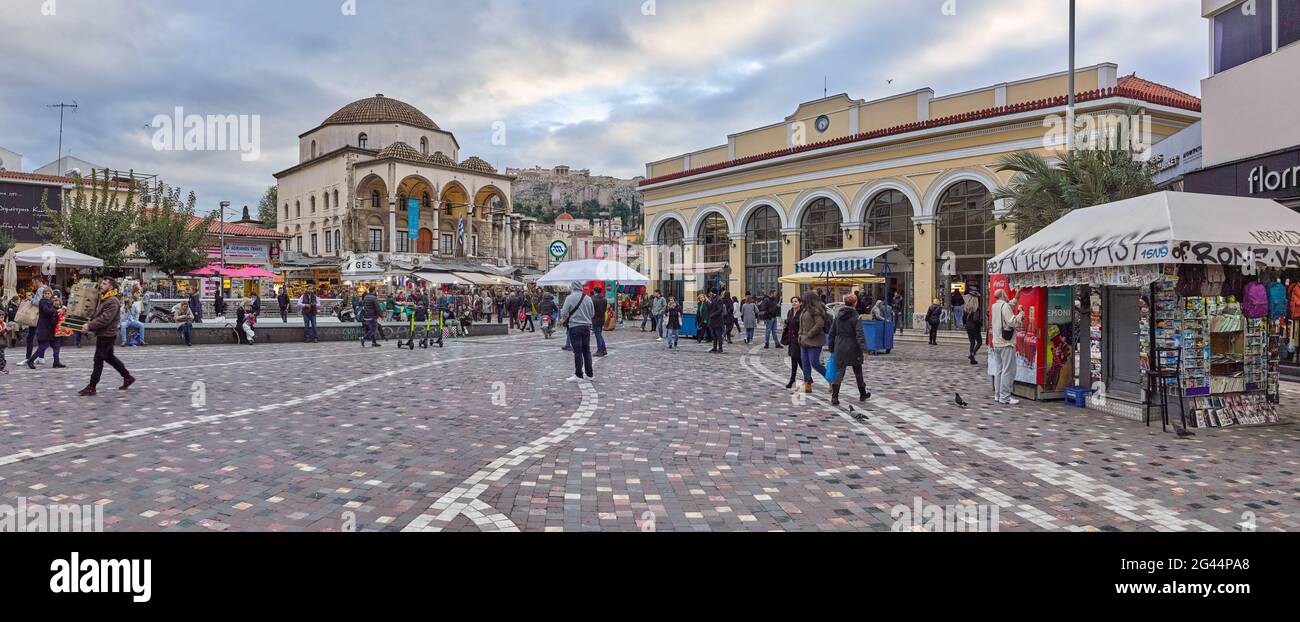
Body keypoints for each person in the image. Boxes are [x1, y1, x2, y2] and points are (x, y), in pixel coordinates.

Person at [79, 277, 134, 396]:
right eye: (102, 283)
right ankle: (128, 377)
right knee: (110, 358)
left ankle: (92, 386)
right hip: (104, 333)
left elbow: (105, 319)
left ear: (111, 287)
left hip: (107, 335)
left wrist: (89, 325)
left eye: (104, 284)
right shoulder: (104, 298)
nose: (101, 285)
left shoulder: (112, 301)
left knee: (98, 359)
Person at [828, 294, 871, 405]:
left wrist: (831, 347)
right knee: (858, 372)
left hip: (840, 347)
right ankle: (862, 394)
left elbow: (832, 333)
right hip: (853, 348)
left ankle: (835, 396)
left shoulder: (838, 316)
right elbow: (859, 335)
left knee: (840, 371)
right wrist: (864, 349)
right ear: (855, 303)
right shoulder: (856, 317)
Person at [990, 289, 1024, 405]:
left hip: (997, 342)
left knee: (999, 370)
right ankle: (1005, 397)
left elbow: (1008, 306)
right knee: (1008, 370)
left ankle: (998, 395)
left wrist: (1017, 297)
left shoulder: (995, 306)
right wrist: (1021, 314)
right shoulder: (1004, 306)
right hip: (1006, 343)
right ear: (1004, 295)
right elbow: (1012, 322)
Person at [558, 280, 595, 382]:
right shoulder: (588, 298)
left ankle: (579, 375)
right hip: (587, 327)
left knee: (577, 351)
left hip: (575, 327)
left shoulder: (569, 298)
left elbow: (564, 313)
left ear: (572, 287)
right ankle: (590, 374)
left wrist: (564, 318)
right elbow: (592, 314)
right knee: (586, 351)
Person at [797, 290, 829, 393]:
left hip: (814, 341)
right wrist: (800, 335)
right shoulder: (804, 309)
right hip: (803, 341)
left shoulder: (816, 310)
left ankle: (831, 379)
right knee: (804, 362)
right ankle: (807, 383)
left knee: (814, 363)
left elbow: (819, 325)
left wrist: (809, 334)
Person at [26, 287, 65, 369]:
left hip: (51, 327)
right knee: (44, 345)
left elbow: (53, 310)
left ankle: (56, 362)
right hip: (44, 327)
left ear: (51, 294)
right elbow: (47, 310)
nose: (47, 295)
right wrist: (57, 311)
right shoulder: (42, 302)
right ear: (43, 294)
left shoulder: (50, 302)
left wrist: (60, 309)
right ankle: (31, 360)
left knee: (56, 345)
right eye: (45, 293)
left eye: (48, 293)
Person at [782, 296, 804, 389]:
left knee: (797, 359)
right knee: (795, 359)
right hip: (791, 338)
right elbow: (788, 323)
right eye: (792, 302)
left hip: (799, 339)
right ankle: (794, 379)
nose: (794, 303)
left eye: (796, 301)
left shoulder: (802, 313)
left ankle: (795, 379)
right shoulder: (790, 312)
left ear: (800, 303)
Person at [965, 298, 984, 365]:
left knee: (972, 342)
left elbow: (963, 318)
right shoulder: (976, 309)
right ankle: (972, 354)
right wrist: (980, 323)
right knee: (979, 342)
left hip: (968, 327)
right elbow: (976, 319)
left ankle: (972, 359)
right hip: (974, 327)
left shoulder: (968, 308)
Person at [591, 288, 609, 356]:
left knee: (598, 335)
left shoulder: (593, 300)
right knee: (599, 335)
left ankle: (600, 350)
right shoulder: (604, 299)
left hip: (595, 319)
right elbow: (604, 310)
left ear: (595, 291)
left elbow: (592, 310)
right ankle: (604, 349)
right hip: (602, 318)